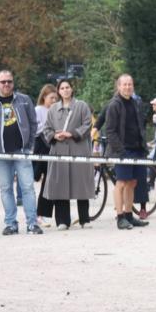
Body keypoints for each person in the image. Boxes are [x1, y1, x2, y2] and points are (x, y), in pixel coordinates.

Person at [0, 69, 43, 236]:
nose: (6, 84)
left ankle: (32, 223)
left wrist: (29, 145)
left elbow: (33, 123)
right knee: (6, 188)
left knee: (28, 187)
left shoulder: (24, 100)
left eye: (9, 81)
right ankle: (10, 224)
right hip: (0, 154)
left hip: (22, 151)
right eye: (3, 81)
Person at [41, 79, 95, 230]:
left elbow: (87, 124)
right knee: (60, 185)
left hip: (79, 150)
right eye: (62, 88)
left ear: (72, 89)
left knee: (81, 184)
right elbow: (46, 129)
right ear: (58, 91)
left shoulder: (81, 106)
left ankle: (84, 219)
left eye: (67, 87)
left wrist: (72, 134)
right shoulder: (53, 109)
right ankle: (62, 221)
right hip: (59, 151)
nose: (65, 90)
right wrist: (54, 136)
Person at [103, 74, 149, 230]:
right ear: (119, 86)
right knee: (121, 183)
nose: (128, 87)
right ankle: (120, 217)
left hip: (137, 149)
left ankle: (129, 215)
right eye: (125, 84)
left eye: (130, 84)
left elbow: (140, 126)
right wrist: (120, 151)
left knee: (132, 182)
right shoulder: (114, 105)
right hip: (122, 151)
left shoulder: (136, 103)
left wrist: (143, 146)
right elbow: (110, 131)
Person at [34, 84, 57, 227]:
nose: (54, 101)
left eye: (55, 98)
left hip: (53, 145)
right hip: (41, 146)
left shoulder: (56, 110)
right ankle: (37, 214)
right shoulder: (38, 110)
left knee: (49, 181)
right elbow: (35, 128)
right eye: (51, 98)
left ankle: (41, 213)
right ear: (44, 97)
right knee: (38, 178)